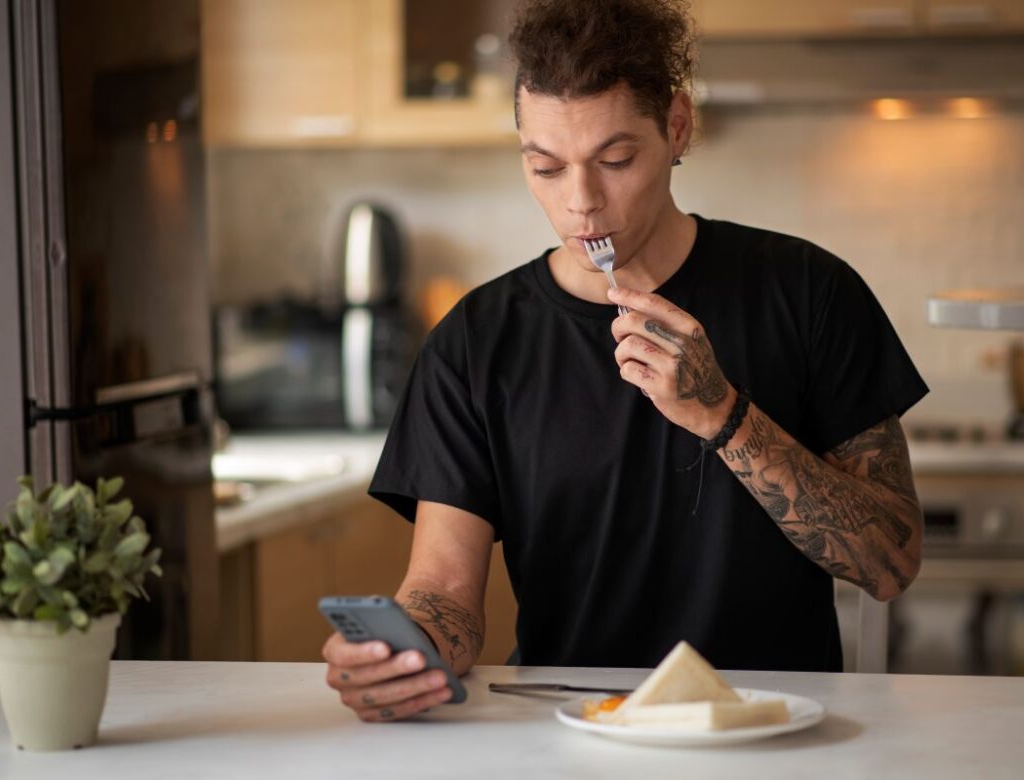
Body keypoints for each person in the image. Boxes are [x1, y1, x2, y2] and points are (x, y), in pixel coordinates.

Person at [324, 0, 928, 723]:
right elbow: (445, 590)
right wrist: (404, 651)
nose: (581, 202)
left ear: (677, 127)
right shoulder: (474, 342)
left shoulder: (809, 292)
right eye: (546, 167)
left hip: (770, 730)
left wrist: (723, 414)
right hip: (570, 732)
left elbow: (890, 562)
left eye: (615, 161)